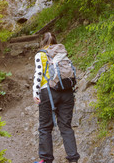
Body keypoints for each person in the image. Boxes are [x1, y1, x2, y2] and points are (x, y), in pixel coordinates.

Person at [32, 32, 80, 163]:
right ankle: (73, 159)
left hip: (48, 92)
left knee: (45, 127)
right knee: (65, 126)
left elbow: (38, 74)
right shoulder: (62, 52)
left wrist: (35, 93)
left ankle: (46, 159)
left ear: (43, 42)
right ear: (55, 40)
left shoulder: (41, 54)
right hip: (67, 91)